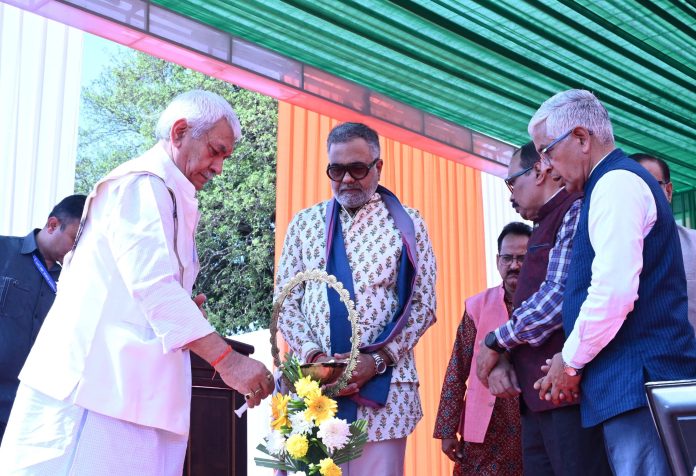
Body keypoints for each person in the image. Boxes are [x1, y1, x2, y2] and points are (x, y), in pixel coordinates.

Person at [0, 90, 274, 474]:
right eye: (215, 151)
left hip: (129, 393)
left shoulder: (168, 191)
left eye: (225, 157)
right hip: (94, 393)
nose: (218, 168)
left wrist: (183, 310)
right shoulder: (141, 185)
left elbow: (147, 291)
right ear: (180, 132)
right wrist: (228, 361)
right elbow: (154, 288)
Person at [529, 89, 696, 476]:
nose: (547, 168)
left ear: (581, 138)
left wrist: (570, 361)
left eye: (547, 151)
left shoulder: (616, 184)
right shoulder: (607, 186)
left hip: (641, 387)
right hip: (633, 388)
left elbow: (614, 291)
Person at [275, 122, 437, 476]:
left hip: (385, 393)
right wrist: (314, 358)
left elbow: (423, 305)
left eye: (358, 169)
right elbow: (285, 303)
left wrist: (377, 360)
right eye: (336, 170)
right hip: (315, 392)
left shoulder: (408, 224)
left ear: (378, 167)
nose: (347, 179)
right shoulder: (304, 223)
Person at [475, 143, 610, 475]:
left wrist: (496, 341)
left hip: (567, 394)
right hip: (538, 398)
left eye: (512, 182)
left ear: (539, 171)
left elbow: (557, 296)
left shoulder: (573, 211)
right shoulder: (544, 223)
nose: (510, 195)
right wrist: (504, 356)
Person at [434, 221, 530, 476]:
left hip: (534, 425)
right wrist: (447, 430)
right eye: (507, 258)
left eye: (522, 258)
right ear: (498, 261)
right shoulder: (477, 307)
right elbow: (457, 370)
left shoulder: (546, 305)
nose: (514, 265)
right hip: (485, 431)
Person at [0, 194, 86, 443]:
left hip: (28, 406)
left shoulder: (75, 281)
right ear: (52, 225)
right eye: (74, 240)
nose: (75, 250)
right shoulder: (3, 252)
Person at [632, 152, 696, 334]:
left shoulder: (694, 244)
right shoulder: (605, 250)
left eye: (650, 185)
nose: (642, 195)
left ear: (668, 191)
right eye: (633, 188)